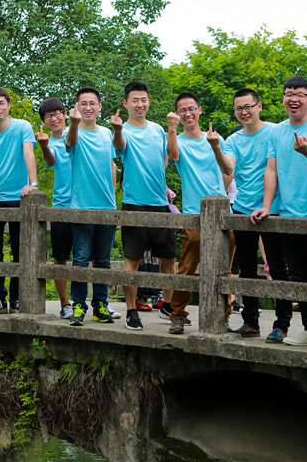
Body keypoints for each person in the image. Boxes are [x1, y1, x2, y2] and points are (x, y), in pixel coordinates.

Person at [251, 76, 307, 351]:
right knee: (298, 275)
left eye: (299, 94)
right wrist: (267, 206)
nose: (293, 98)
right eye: (289, 93)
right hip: (288, 213)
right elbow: (271, 170)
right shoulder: (277, 131)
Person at [210, 88, 293, 343]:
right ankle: (250, 322)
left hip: (273, 209)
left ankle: (282, 324)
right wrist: (216, 147)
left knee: (277, 268)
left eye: (248, 106)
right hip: (243, 209)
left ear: (259, 106)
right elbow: (228, 168)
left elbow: (279, 168)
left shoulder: (275, 131)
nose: (244, 112)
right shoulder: (233, 140)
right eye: (239, 108)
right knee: (246, 269)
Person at [111, 81, 177, 331]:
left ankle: (168, 306)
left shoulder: (158, 129)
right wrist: (117, 130)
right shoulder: (123, 130)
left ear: (149, 101)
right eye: (135, 100)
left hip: (160, 203)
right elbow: (119, 148)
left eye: (144, 99)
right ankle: (131, 311)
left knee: (169, 258)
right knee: (133, 260)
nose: (140, 104)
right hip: (134, 204)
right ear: (126, 103)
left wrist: (172, 129)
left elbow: (168, 157)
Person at [166, 92, 232, 335]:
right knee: (187, 267)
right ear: (178, 114)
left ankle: (223, 316)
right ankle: (177, 315)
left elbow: (227, 169)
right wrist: (172, 129)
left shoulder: (215, 137)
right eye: (182, 110)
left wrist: (215, 146)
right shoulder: (177, 140)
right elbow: (173, 157)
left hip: (222, 212)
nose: (188, 114)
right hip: (194, 213)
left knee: (224, 268)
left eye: (191, 108)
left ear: (200, 110)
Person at [0, 86, 39, 315]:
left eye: (1, 103)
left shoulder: (22, 126)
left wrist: (33, 184)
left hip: (19, 196)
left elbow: (29, 153)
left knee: (20, 249)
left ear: (9, 105)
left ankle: (18, 297)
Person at [65, 87, 118, 327]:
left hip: (106, 207)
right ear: (77, 107)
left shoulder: (107, 133)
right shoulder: (71, 130)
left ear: (99, 107)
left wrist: (113, 199)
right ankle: (78, 305)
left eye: (92, 103)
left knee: (103, 260)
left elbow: (111, 166)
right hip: (81, 206)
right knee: (81, 259)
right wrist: (74, 123)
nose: (88, 107)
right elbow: (70, 142)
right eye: (83, 103)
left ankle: (100, 305)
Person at [36, 97, 74, 319]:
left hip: (85, 204)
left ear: (65, 114)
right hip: (61, 206)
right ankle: (65, 303)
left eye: (56, 113)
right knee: (60, 258)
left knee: (92, 258)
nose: (53, 118)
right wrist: (43, 145)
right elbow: (50, 161)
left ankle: (99, 302)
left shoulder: (79, 135)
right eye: (48, 116)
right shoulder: (49, 142)